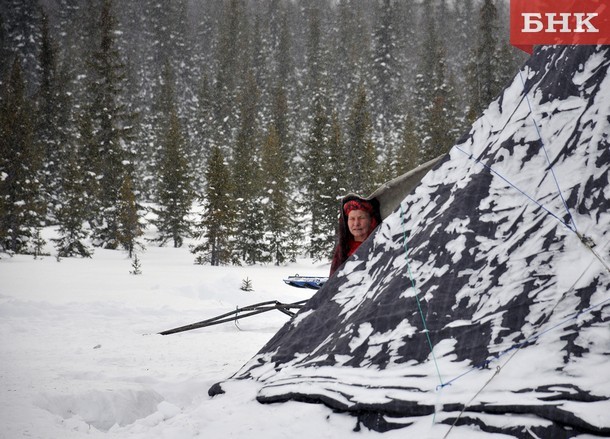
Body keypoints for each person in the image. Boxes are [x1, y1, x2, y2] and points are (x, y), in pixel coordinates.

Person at [329, 195, 382, 276]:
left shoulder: (381, 246)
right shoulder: (342, 250)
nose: (356, 223)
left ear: (371, 221)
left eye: (361, 218)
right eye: (352, 218)